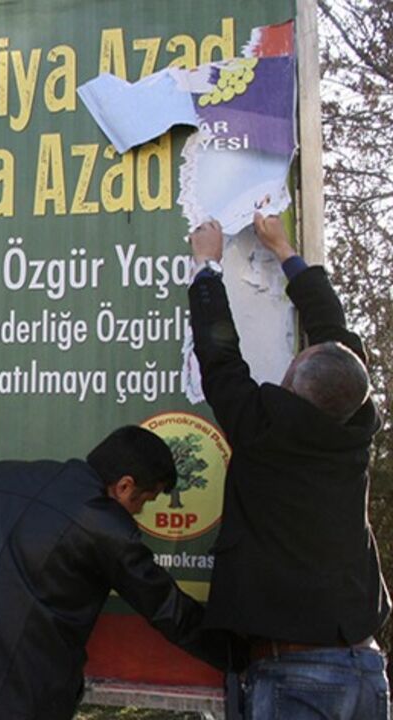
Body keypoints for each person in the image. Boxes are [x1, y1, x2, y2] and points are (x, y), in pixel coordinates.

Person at [188, 214, 389, 719]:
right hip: (365, 667)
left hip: (298, 677)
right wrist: (285, 251)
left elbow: (218, 356)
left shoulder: (264, 430)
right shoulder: (354, 426)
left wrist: (207, 267)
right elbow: (335, 334)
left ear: (294, 382)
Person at [0, 426, 221, 719]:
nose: (139, 513)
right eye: (143, 502)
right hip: (10, 702)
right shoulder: (106, 525)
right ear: (124, 486)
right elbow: (168, 609)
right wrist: (236, 652)